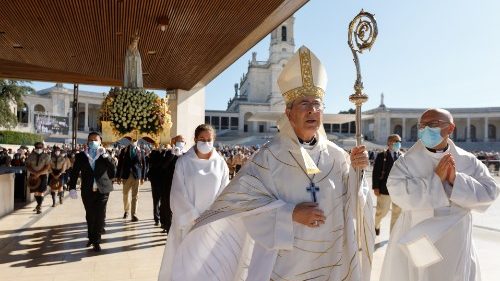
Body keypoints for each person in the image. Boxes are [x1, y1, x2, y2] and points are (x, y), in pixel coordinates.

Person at [161, 46, 373, 281]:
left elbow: (354, 203)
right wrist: (289, 213)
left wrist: (358, 172)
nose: (312, 109)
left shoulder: (338, 157)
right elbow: (246, 205)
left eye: (317, 104)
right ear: (289, 112)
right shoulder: (268, 157)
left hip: (331, 263)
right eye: (304, 103)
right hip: (285, 265)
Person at [380, 108, 499, 281]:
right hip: (417, 232)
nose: (426, 128)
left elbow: (490, 192)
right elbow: (397, 193)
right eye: (422, 125)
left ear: (450, 129)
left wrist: (456, 180)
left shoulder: (468, 160)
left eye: (433, 124)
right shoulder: (405, 161)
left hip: (456, 236)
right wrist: (435, 180)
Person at [158, 124, 230, 280]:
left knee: (208, 264)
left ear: (214, 140)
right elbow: (177, 192)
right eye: (202, 139)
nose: (205, 142)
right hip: (188, 222)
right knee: (186, 264)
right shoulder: (183, 162)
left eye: (209, 139)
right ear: (195, 139)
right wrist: (193, 216)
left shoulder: (221, 164)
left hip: (211, 223)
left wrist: (210, 215)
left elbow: (224, 193)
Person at [68, 132, 116, 252]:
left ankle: (97, 240)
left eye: (95, 140)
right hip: (87, 190)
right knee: (90, 215)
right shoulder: (81, 156)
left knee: (99, 215)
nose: (93, 142)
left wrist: (106, 156)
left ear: (100, 141)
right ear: (87, 142)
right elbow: (74, 172)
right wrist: (72, 187)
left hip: (103, 190)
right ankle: (91, 236)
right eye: (90, 140)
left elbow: (113, 170)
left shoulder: (106, 154)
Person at [148, 135, 185, 230]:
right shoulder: (168, 153)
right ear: (173, 142)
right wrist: (172, 155)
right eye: (179, 141)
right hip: (168, 185)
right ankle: (167, 226)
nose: (181, 143)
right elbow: (162, 167)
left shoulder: (186, 155)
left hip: (182, 187)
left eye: (183, 141)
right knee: (167, 207)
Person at [372, 134, 403, 235]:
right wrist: (376, 187)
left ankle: (393, 235)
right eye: (396, 141)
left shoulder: (402, 156)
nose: (398, 143)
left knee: (397, 214)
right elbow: (376, 172)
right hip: (384, 189)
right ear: (389, 143)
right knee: (382, 211)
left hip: (398, 190)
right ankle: (376, 225)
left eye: (399, 141)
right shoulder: (382, 156)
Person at [117, 138, 146, 222]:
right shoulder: (124, 150)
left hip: (136, 176)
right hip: (126, 176)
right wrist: (118, 176)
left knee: (135, 196)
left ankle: (134, 214)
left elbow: (144, 164)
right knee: (125, 194)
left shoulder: (141, 151)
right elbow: (120, 164)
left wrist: (143, 177)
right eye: (132, 139)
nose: (134, 141)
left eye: (135, 139)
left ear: (138, 141)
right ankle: (126, 210)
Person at [25, 142, 51, 214]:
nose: (39, 149)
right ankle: (38, 205)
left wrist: (38, 173)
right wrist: (34, 173)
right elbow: (28, 165)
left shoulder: (46, 156)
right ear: (35, 147)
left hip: (42, 175)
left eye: (40, 147)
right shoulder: (31, 156)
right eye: (37, 147)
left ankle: (39, 206)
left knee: (41, 192)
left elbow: (47, 166)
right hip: (33, 175)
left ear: (43, 148)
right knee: (36, 192)